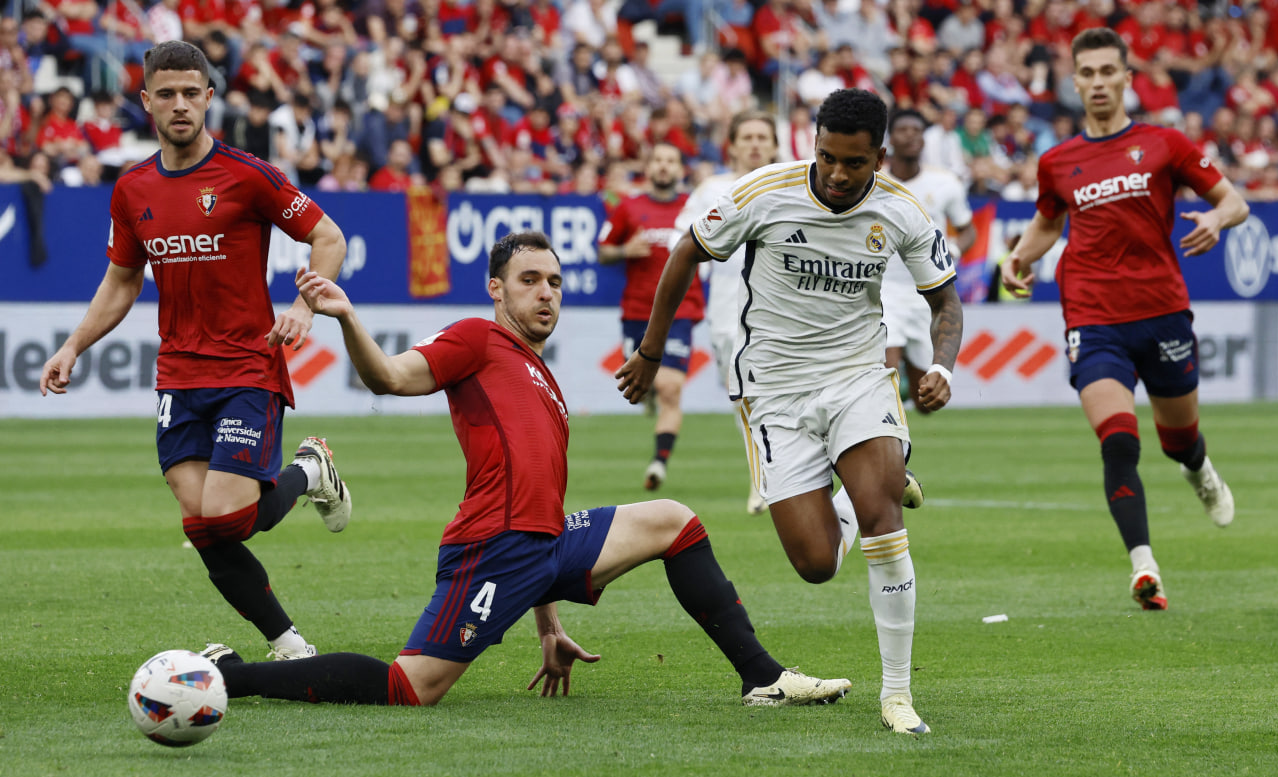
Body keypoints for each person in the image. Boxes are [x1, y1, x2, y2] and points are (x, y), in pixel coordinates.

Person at [200, 231, 852, 710]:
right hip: (491, 549)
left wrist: (549, 622)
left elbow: (540, 494)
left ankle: (761, 677)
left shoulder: (544, 376)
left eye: (555, 282)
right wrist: (347, 317)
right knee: (411, 686)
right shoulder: (476, 341)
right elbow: (389, 376)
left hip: (544, 545)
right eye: (529, 280)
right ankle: (239, 673)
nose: (545, 292)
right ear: (496, 289)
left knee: (673, 521)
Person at [617, 88, 964, 734]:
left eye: (854, 163)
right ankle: (859, 495)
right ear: (813, 144)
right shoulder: (763, 192)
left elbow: (947, 302)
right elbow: (685, 252)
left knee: (884, 519)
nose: (836, 173)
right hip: (773, 389)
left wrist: (940, 366)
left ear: (879, 157)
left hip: (859, 376)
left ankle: (897, 694)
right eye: (827, 156)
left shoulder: (903, 212)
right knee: (815, 564)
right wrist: (650, 352)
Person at [38, 41, 352, 661]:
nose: (180, 105)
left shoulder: (247, 175)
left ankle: (309, 469)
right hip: (178, 374)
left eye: (191, 92)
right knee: (201, 522)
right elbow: (123, 280)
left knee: (227, 518)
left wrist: (305, 305)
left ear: (209, 97)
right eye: (167, 93)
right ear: (146, 101)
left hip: (247, 366)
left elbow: (327, 235)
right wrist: (73, 345)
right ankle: (289, 646)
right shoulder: (131, 189)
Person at [1002, 28, 1247, 612]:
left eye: (1108, 71)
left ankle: (1199, 469)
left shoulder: (1165, 143)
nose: (1097, 83)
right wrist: (1017, 256)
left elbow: (1231, 200)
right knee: (1118, 440)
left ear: (1127, 78)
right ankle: (1144, 566)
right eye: (1086, 73)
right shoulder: (1058, 161)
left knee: (1178, 439)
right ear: (1075, 81)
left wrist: (1218, 222)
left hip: (1161, 310)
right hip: (1092, 316)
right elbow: (1047, 223)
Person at [673, 110, 778, 515]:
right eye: (746, 136)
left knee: (772, 394)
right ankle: (765, 475)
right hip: (726, 313)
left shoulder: (790, 185)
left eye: (761, 137)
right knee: (743, 398)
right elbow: (682, 238)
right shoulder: (712, 188)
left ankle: (768, 480)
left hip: (782, 311)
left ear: (773, 146)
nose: (754, 144)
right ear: (731, 145)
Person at [599, 142, 701, 492]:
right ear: (648, 165)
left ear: (679, 169)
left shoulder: (695, 207)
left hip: (680, 310)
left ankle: (659, 463)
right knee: (642, 389)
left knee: (670, 388)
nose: (663, 166)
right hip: (638, 311)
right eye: (657, 159)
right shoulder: (628, 207)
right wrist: (624, 250)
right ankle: (651, 399)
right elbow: (603, 250)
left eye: (670, 160)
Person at [883, 107, 975, 413]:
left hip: (926, 293)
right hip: (882, 290)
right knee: (885, 378)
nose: (911, 136)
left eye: (917, 130)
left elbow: (967, 229)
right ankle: (887, 440)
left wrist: (956, 249)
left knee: (927, 402)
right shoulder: (872, 182)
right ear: (890, 139)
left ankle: (910, 376)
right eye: (903, 130)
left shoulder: (945, 183)